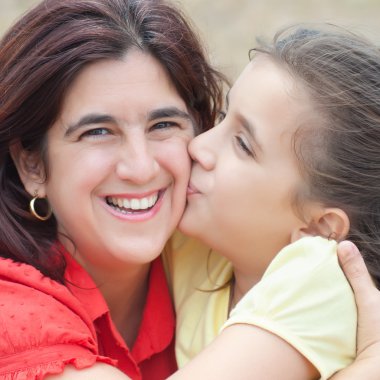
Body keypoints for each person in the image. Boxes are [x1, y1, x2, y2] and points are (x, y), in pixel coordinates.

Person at [0, 0, 379, 378]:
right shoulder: (14, 305)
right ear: (32, 164)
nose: (142, 166)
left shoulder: (313, 275)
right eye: (97, 131)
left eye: (163, 124)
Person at [167, 25, 380, 379]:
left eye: (243, 145)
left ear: (319, 228)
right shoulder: (209, 241)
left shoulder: (322, 280)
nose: (198, 146)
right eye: (222, 117)